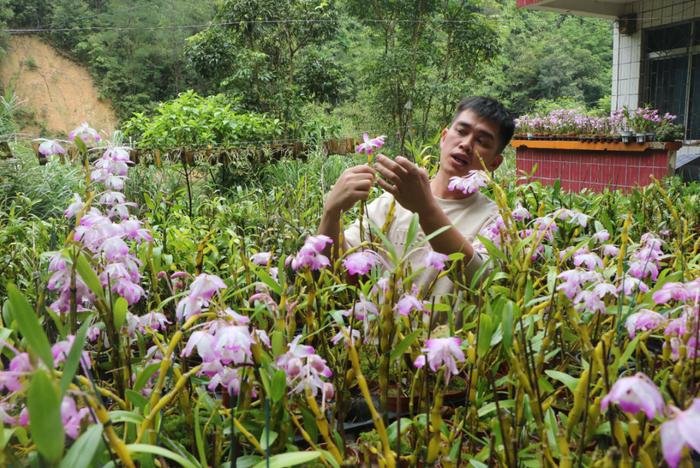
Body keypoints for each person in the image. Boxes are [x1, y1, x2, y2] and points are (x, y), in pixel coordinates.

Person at [317, 96, 515, 295]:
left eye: (482, 141)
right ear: (444, 137)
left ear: (495, 163)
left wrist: (425, 210)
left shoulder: (496, 221)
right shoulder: (390, 203)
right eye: (461, 131)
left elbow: (482, 282)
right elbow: (336, 273)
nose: (466, 144)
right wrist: (331, 214)